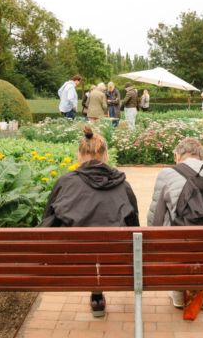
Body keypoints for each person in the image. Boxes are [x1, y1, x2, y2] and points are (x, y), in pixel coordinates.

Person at [41, 125, 139, 317]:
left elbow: (47, 219)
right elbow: (134, 226)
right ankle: (97, 292)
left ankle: (96, 293)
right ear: (106, 156)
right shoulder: (123, 185)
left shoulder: (65, 182)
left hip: (71, 262)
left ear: (79, 155)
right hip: (116, 262)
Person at [147, 138, 203, 311]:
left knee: (170, 220)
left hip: (179, 244)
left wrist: (152, 238)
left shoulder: (167, 174)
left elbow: (156, 215)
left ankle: (178, 290)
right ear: (202, 156)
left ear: (178, 156)